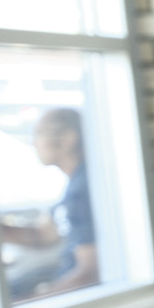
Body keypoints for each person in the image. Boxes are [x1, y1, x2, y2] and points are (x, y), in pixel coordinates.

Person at [29, 107, 98, 296]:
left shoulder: (81, 191)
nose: (33, 143)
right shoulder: (76, 182)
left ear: (68, 139)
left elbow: (90, 272)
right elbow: (44, 234)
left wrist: (33, 301)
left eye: (39, 134)